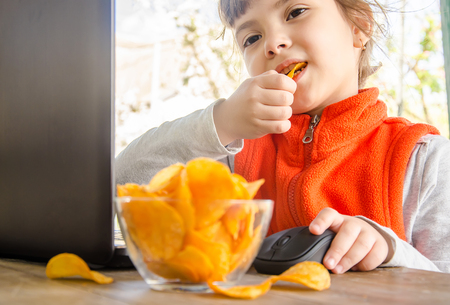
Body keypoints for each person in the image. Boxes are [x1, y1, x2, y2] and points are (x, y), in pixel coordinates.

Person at [116, 0, 450, 274]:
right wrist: (220, 121)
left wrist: (390, 251)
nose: (273, 43)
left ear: (359, 26)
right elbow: (121, 182)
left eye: (295, 12)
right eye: (251, 39)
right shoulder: (233, 156)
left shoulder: (425, 160)